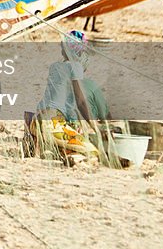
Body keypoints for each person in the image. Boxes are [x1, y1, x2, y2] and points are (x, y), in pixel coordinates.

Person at [29, 30, 111, 159]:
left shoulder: (55, 66)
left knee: (68, 145)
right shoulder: (75, 67)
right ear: (80, 52)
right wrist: (97, 129)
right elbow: (81, 102)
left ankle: (43, 145)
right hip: (51, 123)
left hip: (36, 120)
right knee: (92, 151)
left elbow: (64, 102)